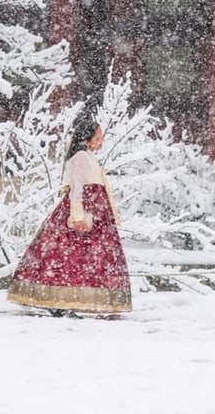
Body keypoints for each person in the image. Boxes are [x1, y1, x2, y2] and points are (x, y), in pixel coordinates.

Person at [7, 115, 132, 317]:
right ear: (86, 139)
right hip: (85, 212)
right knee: (75, 258)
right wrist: (78, 216)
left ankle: (67, 298)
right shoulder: (81, 157)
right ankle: (62, 299)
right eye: (98, 138)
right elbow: (76, 189)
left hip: (95, 213)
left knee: (76, 259)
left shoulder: (88, 157)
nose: (101, 142)